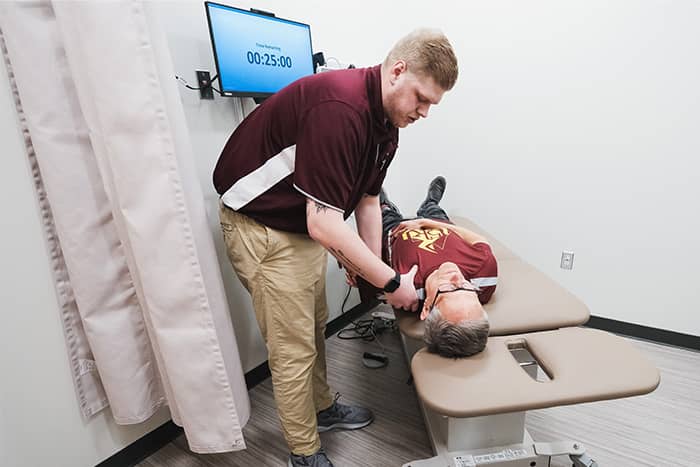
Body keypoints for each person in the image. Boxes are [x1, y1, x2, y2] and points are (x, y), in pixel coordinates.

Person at [213, 29, 458, 467]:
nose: (423, 112)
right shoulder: (340, 108)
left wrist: (375, 273)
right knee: (293, 348)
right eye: (421, 98)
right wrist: (390, 281)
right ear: (397, 71)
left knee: (315, 329)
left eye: (431, 105)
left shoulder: (387, 126)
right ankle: (303, 454)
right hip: (260, 226)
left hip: (297, 223)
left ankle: (322, 410)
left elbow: (367, 201)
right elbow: (325, 222)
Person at [375, 176, 497, 358]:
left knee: (385, 213)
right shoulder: (484, 276)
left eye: (448, 289)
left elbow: (370, 269)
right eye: (467, 288)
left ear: (426, 308)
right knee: (432, 210)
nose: (457, 278)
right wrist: (426, 222)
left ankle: (385, 204)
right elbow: (479, 240)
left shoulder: (407, 289)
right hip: (440, 227)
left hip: (396, 230)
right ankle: (431, 201)